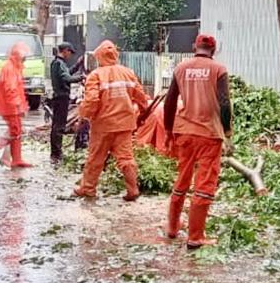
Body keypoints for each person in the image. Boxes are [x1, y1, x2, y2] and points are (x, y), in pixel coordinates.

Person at [162, 34, 232, 249]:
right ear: (214, 49)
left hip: (184, 131)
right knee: (204, 185)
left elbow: (170, 100)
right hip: (209, 134)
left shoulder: (181, 68)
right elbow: (224, 102)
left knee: (182, 179)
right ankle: (195, 236)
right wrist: (227, 129)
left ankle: (172, 228)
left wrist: (167, 128)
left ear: (195, 46)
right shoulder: (219, 70)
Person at [73, 40, 148, 201]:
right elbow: (140, 95)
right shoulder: (128, 72)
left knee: (95, 158)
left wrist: (84, 117)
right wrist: (143, 111)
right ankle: (133, 189)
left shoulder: (96, 75)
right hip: (125, 123)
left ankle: (87, 188)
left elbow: (92, 100)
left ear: (99, 56)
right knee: (126, 158)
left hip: (103, 125)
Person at [0, 42, 32, 168]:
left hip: (14, 106)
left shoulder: (15, 67)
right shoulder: (10, 68)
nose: (25, 60)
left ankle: (15, 158)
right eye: (23, 57)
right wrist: (17, 106)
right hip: (11, 107)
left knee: (16, 132)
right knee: (14, 131)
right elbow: (10, 89)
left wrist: (21, 105)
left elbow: (18, 89)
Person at [48, 42, 84, 164]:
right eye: (70, 52)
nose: (70, 55)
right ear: (66, 51)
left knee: (56, 126)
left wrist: (78, 65)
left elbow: (67, 73)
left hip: (58, 97)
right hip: (61, 98)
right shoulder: (59, 63)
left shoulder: (57, 63)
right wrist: (82, 77)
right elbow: (67, 78)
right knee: (59, 127)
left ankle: (55, 153)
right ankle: (56, 154)